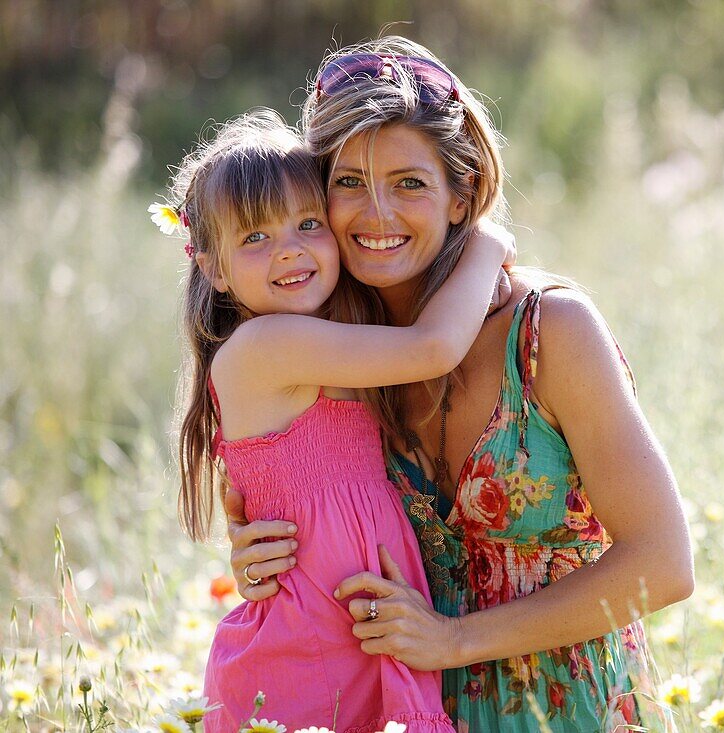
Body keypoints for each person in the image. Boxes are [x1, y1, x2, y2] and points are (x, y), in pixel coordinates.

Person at [225, 37, 695, 732]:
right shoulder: (325, 360)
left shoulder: (546, 331)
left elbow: (663, 562)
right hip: (405, 710)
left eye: (409, 183)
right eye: (348, 182)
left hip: (568, 710)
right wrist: (266, 558)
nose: (376, 214)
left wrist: (455, 639)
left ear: (462, 194)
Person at [160, 107, 513, 732]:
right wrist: (486, 246)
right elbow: (432, 348)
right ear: (213, 268)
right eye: (254, 237)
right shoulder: (263, 347)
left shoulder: (339, 330)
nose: (289, 251)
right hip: (306, 653)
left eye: (306, 224)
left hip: (365, 632)